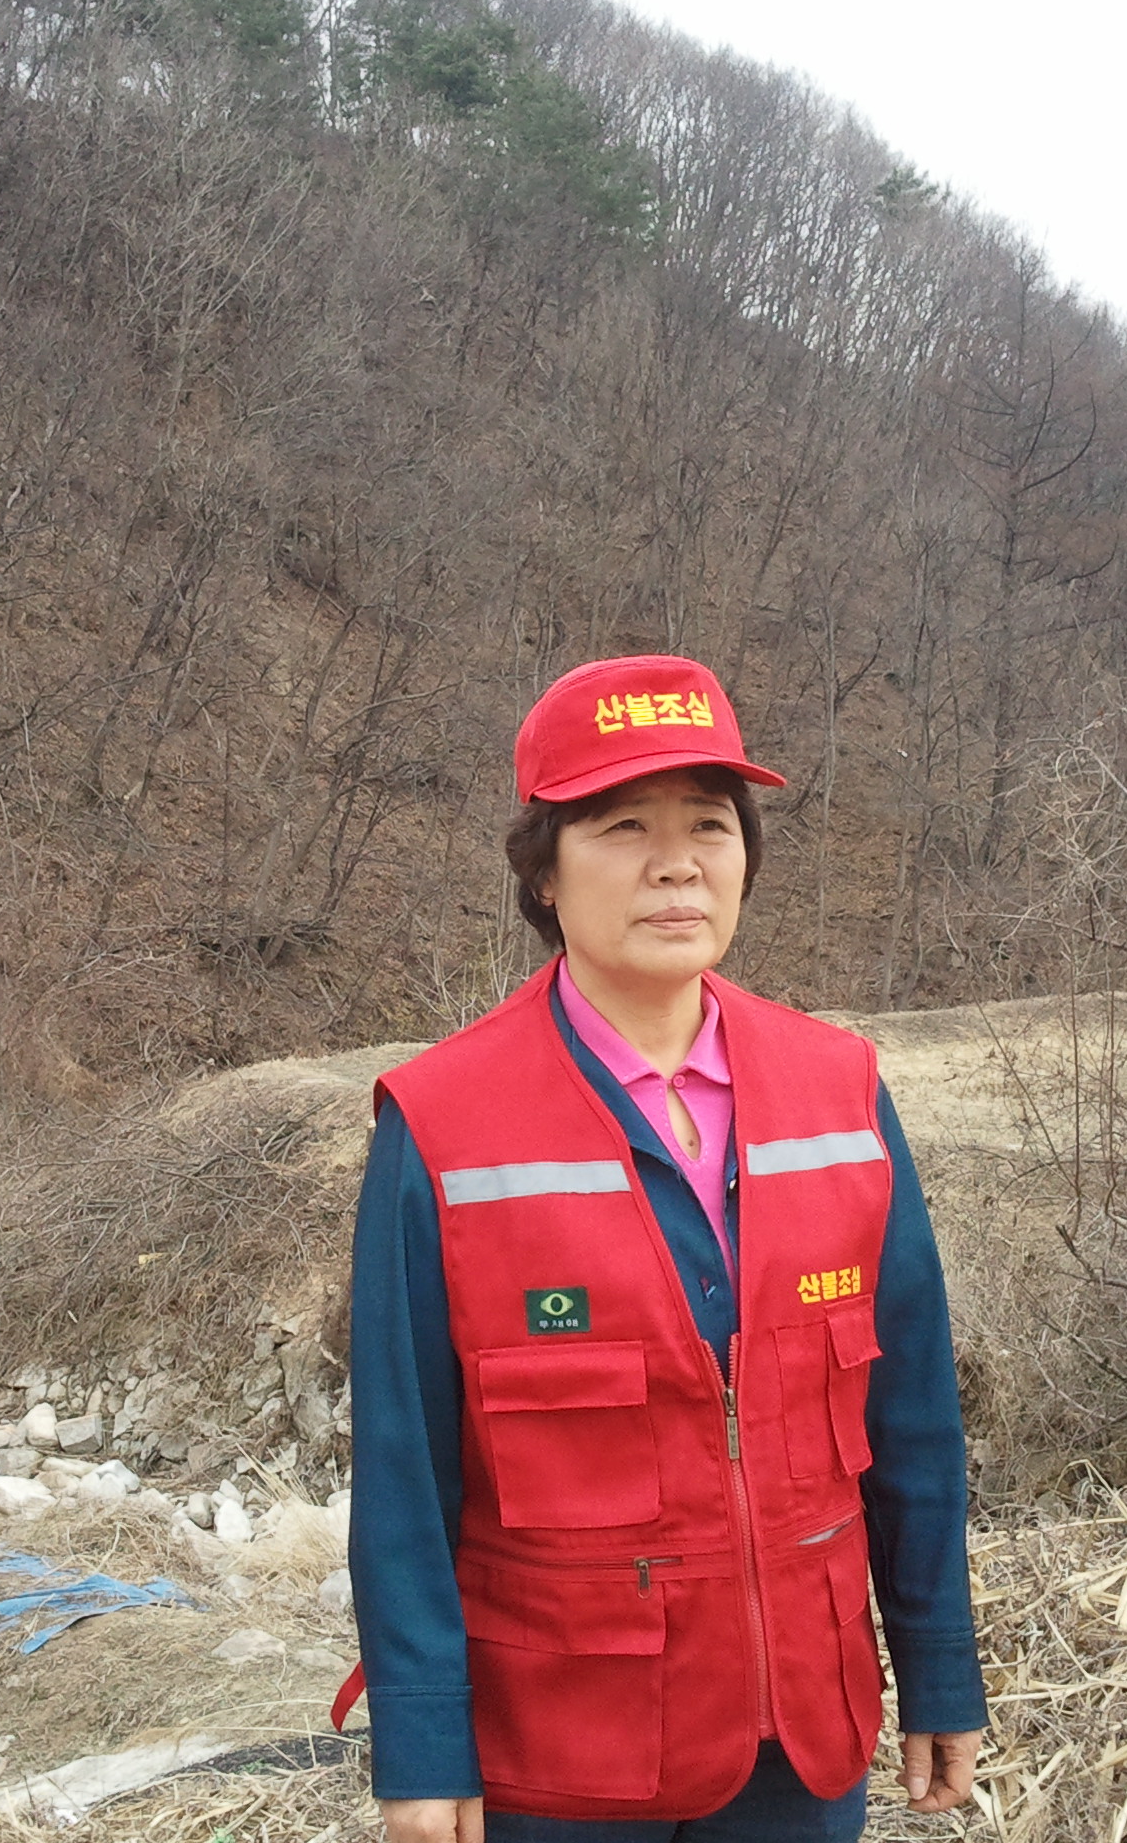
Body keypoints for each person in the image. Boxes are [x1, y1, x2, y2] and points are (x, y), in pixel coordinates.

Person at [338, 655, 986, 1842]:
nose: (677, 862)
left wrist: (939, 1664)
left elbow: (913, 1420)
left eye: (707, 825)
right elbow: (403, 1473)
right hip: (561, 1749)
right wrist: (422, 1744)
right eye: (624, 825)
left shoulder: (839, 1093)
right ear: (543, 873)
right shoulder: (442, 1124)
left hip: (801, 1735)